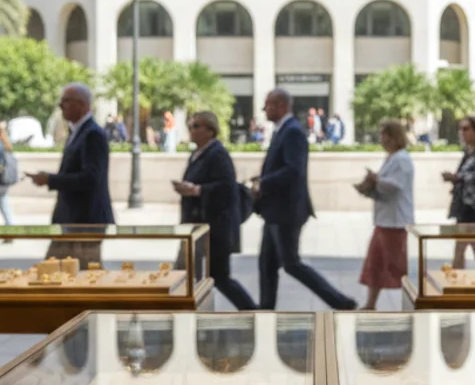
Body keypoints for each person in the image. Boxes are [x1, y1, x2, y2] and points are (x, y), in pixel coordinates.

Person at [254, 88, 357, 310]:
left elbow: (294, 171)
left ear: (281, 106)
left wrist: (264, 183)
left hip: (286, 212)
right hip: (275, 211)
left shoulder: (292, 132)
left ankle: (340, 302)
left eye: (268, 105)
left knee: (291, 264)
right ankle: (265, 309)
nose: (264, 110)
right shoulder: (283, 131)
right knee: (267, 264)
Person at [173, 111, 257, 310]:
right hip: (197, 226)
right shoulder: (197, 154)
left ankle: (253, 311)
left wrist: (197, 190)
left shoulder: (218, 154)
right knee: (184, 271)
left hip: (215, 227)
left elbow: (227, 188)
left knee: (219, 277)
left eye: (196, 126)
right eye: (190, 126)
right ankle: (183, 312)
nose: (191, 131)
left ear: (210, 130)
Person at [27, 83, 114, 263]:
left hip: (85, 221)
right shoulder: (78, 132)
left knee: (79, 276)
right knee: (57, 273)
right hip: (72, 220)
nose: (61, 106)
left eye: (66, 101)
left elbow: (90, 178)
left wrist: (51, 180)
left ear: (82, 105)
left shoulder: (92, 134)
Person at [355, 120, 415, 310]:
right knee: (376, 262)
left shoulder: (402, 159)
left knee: (395, 266)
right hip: (385, 220)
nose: (381, 139)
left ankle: (408, 302)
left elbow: (395, 186)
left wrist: (377, 180)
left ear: (392, 136)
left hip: (396, 222)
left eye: (383, 134)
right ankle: (370, 303)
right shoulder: (391, 158)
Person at [442, 116, 475, 268]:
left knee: (473, 250)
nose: (462, 133)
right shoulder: (468, 153)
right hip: (464, 206)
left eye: (466, 129)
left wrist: (458, 178)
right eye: (460, 129)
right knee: (463, 249)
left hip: (473, 208)